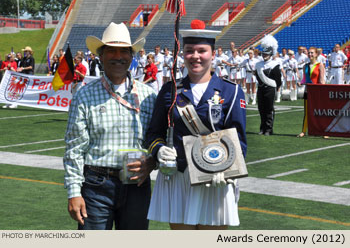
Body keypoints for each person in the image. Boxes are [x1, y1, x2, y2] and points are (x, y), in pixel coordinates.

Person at [146, 20, 247, 230]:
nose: (195, 56)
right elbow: (153, 133)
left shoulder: (232, 91)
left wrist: (227, 171)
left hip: (216, 178)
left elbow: (239, 140)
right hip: (179, 177)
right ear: (183, 54)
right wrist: (159, 150)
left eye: (202, 50)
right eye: (190, 51)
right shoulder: (170, 90)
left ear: (213, 54)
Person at [64, 22, 157, 230]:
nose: (118, 56)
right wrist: (73, 192)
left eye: (124, 51)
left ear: (131, 57)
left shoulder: (149, 95)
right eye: (111, 51)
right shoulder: (84, 95)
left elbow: (159, 141)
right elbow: (74, 148)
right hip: (96, 185)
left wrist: (152, 163)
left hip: (137, 184)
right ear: (101, 56)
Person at [256, 35, 282, 136]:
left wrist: (276, 89)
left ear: (271, 54)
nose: (264, 55)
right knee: (261, 109)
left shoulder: (275, 65)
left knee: (269, 109)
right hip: (261, 88)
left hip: (270, 89)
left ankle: (268, 129)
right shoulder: (258, 64)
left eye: (266, 54)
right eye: (263, 54)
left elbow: (278, 80)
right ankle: (262, 128)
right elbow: (258, 77)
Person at [297, 47, 325, 138]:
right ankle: (303, 131)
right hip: (307, 92)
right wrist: (300, 83)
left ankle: (324, 131)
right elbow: (305, 79)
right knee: (307, 112)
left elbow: (321, 80)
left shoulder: (320, 65)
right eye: (309, 53)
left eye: (312, 53)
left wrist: (322, 91)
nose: (310, 55)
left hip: (317, 93)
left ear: (316, 54)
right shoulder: (305, 66)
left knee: (320, 112)